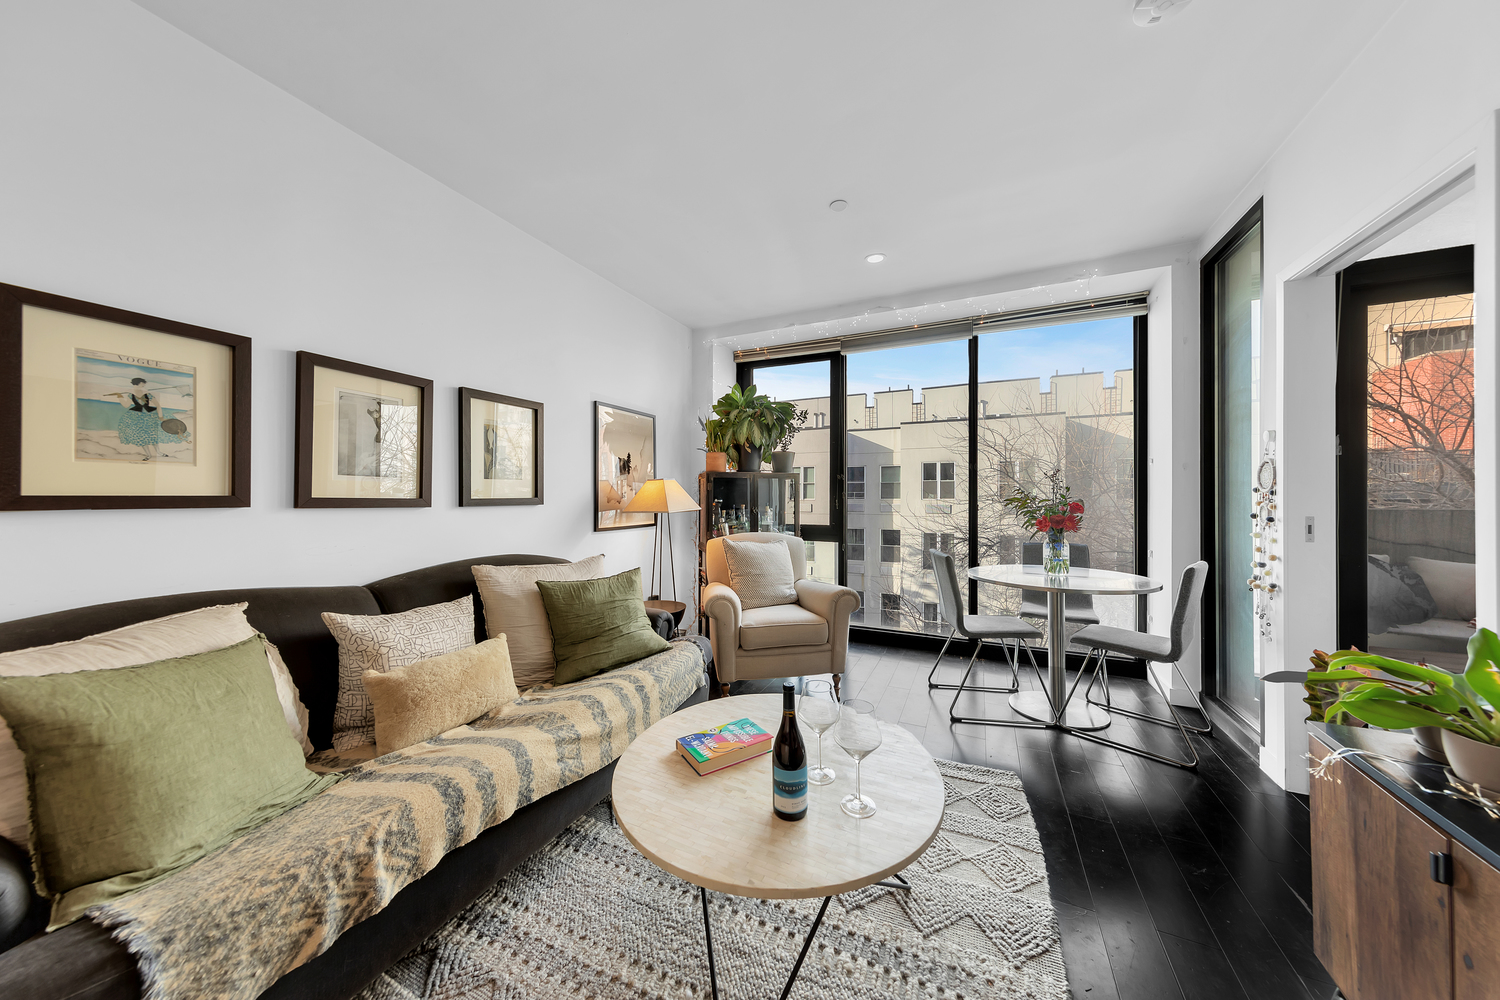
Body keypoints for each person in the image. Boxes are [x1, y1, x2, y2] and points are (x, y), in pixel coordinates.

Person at [105, 378, 166, 461]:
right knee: (141, 437)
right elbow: (126, 405)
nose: (144, 385)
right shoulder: (131, 394)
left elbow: (158, 405)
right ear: (139, 383)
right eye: (143, 384)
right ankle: (148, 455)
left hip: (149, 415)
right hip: (136, 416)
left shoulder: (147, 394)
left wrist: (160, 416)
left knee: (153, 435)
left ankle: (159, 452)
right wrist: (120, 397)